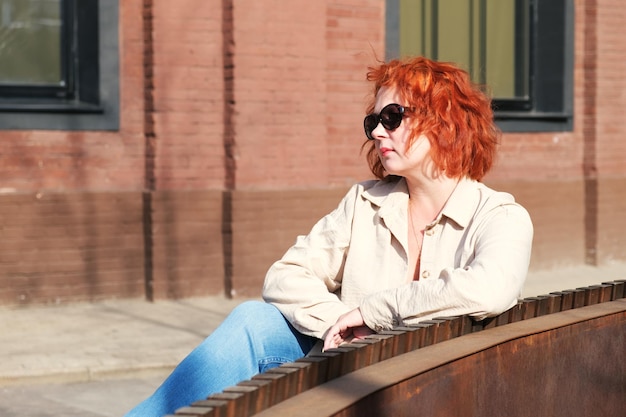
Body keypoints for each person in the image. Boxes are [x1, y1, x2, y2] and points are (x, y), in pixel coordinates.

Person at [124, 56, 533, 417]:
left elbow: (490, 289)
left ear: (443, 120)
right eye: (373, 121)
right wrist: (340, 325)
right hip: (352, 374)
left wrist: (372, 313)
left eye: (392, 117)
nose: (376, 132)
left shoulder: (499, 216)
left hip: (437, 388)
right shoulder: (364, 202)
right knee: (254, 321)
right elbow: (285, 276)